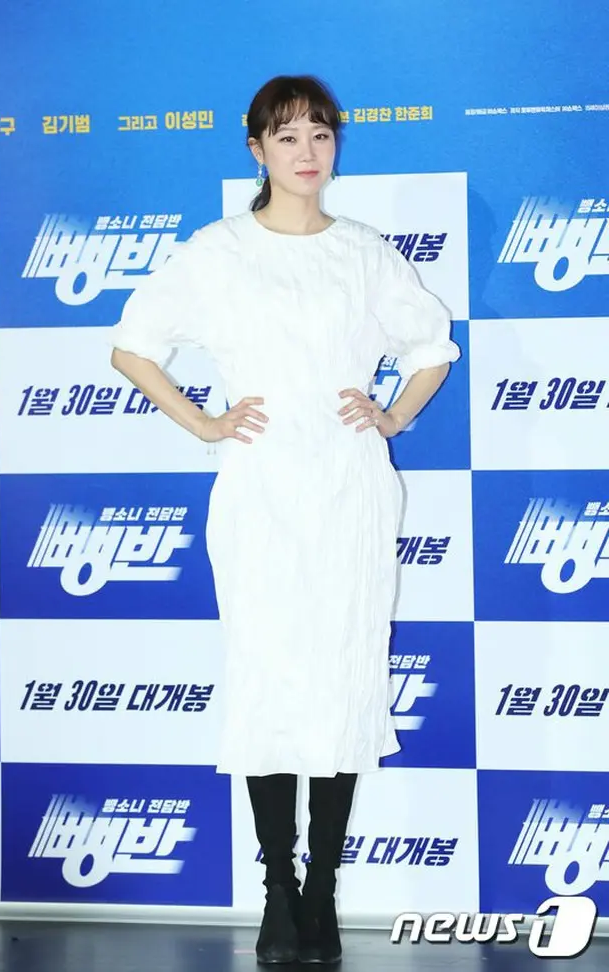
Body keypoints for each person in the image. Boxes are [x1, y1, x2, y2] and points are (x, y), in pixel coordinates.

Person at [110, 74, 459, 965]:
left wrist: (393, 414)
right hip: (260, 490)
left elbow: (432, 345)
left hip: (349, 487)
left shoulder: (364, 252)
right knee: (266, 679)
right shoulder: (217, 252)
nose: (308, 152)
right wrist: (204, 423)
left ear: (336, 147)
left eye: (321, 135)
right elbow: (133, 347)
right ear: (257, 149)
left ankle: (322, 893)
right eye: (288, 136)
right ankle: (276, 890)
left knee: (344, 677)